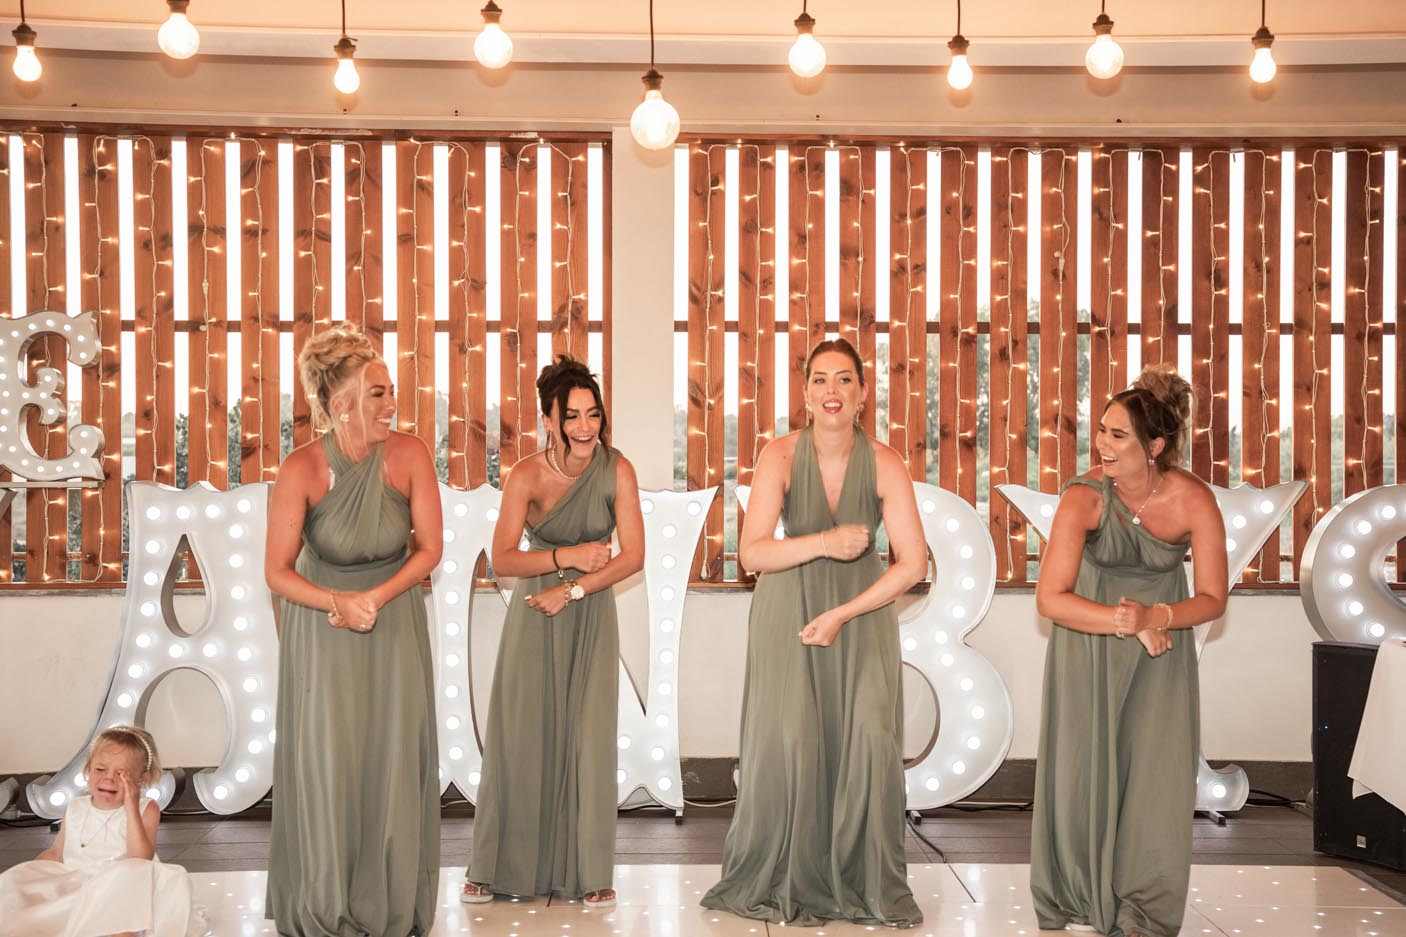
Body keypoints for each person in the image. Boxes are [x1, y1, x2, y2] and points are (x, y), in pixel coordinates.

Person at [701, 338, 925, 927]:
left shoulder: (885, 462)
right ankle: (791, 874)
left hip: (863, 616)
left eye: (844, 379)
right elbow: (753, 554)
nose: (832, 391)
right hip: (789, 613)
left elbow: (913, 563)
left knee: (870, 736)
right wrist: (826, 542)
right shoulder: (778, 456)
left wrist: (844, 613)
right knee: (793, 741)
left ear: (863, 393)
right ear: (805, 394)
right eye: (821, 379)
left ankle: (864, 880)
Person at [1030, 364, 1229, 937]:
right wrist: (1125, 621)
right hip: (1087, 649)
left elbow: (1213, 598)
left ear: (1155, 447)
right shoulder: (1083, 498)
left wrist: (1154, 617)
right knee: (1081, 772)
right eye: (1102, 430)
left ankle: (1143, 907)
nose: (1102, 444)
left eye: (1118, 435)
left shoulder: (1193, 499)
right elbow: (1051, 599)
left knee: (1155, 778)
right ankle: (1076, 894)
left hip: (1159, 657)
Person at [265, 325, 442, 936]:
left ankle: (388, 904)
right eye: (377, 393)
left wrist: (373, 598)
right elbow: (276, 571)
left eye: (391, 391)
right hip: (322, 629)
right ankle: (326, 902)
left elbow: (429, 549)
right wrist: (337, 601)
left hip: (393, 623)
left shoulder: (411, 455)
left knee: (393, 756)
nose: (391, 404)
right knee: (329, 761)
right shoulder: (302, 469)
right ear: (340, 403)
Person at [462, 356, 643, 910]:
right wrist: (566, 557)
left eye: (593, 415)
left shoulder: (617, 469)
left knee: (590, 738)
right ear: (548, 420)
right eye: (572, 417)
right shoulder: (526, 475)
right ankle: (493, 868)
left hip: (589, 613)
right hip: (534, 615)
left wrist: (575, 589)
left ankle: (591, 872)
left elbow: (633, 556)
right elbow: (502, 559)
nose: (585, 427)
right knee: (521, 736)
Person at [0, 725, 199, 937]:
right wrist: (31, 876)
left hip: (123, 889)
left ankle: (121, 932)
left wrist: (131, 805)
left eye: (121, 774)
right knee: (21, 892)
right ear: (88, 770)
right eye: (100, 770)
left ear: (141, 779)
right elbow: (56, 852)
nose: (109, 778)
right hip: (81, 886)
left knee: (123, 886)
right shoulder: (76, 807)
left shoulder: (145, 809)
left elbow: (140, 858)